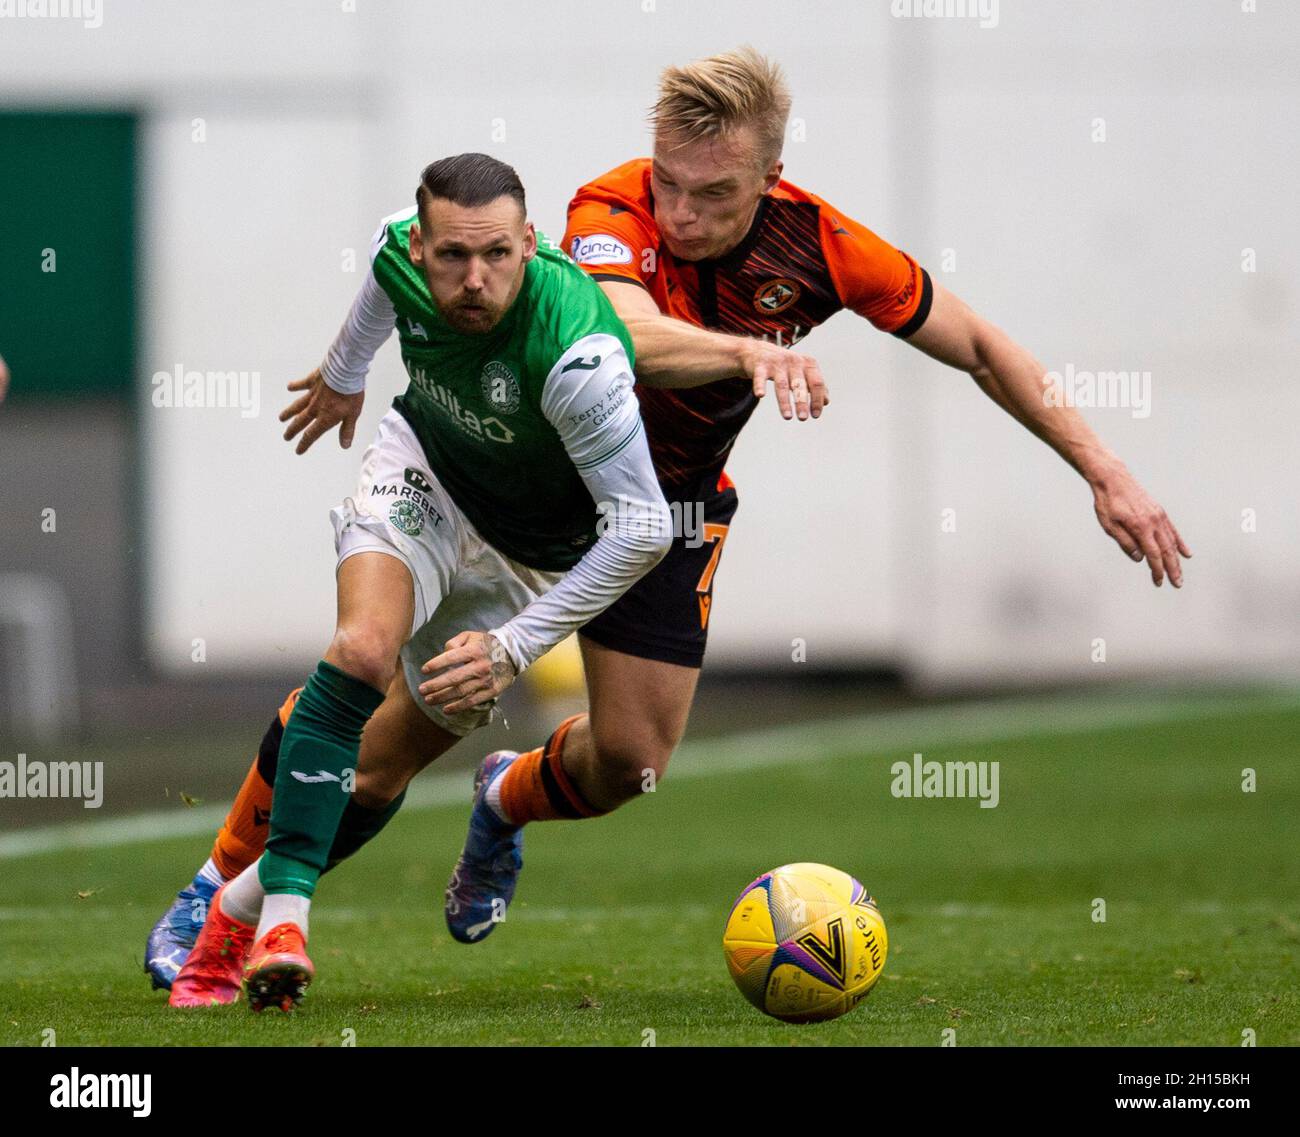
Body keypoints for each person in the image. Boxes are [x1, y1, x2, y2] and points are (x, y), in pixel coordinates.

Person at [149, 48, 1188, 985]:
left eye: (714, 194)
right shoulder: (612, 210)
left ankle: (504, 799)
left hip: (667, 511)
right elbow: (628, 335)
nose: (681, 214)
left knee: (628, 764)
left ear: (769, 182)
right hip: (525, 489)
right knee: (383, 721)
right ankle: (219, 894)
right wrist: (748, 352)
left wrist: (1105, 472)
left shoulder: (823, 246)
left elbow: (979, 344)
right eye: (671, 186)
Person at [163, 152, 672, 1011]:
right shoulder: (399, 251)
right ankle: (279, 917)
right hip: (426, 477)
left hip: (527, 553)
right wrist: (345, 369)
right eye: (451, 257)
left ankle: (230, 912)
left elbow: (647, 526)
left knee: (374, 774)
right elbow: (378, 274)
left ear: (532, 244)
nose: (474, 279)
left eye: (498, 256)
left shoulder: (579, 356)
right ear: (422, 241)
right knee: (362, 649)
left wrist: (512, 649)